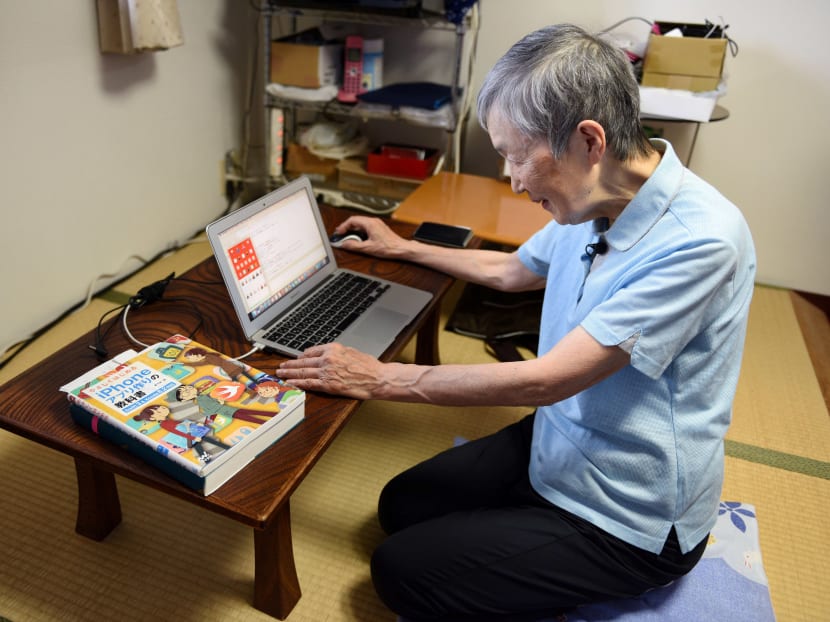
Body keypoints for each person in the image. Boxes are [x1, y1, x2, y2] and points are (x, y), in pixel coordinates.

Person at [276, 23, 756, 621]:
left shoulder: (701, 242)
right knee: (401, 506)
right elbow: (512, 270)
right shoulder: (597, 191)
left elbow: (548, 379)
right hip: (563, 440)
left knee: (399, 573)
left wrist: (380, 379)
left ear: (588, 140)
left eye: (515, 155)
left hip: (629, 512)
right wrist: (402, 247)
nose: (512, 179)